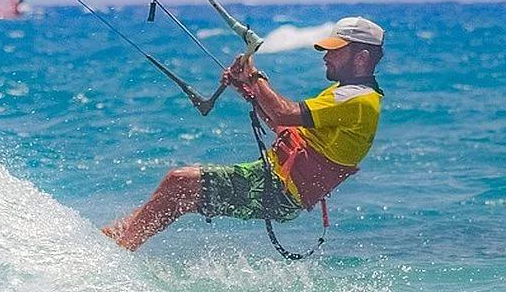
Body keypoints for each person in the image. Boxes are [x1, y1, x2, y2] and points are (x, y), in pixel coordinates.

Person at [102, 16, 386, 251]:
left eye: (336, 50)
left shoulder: (357, 100)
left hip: (280, 189)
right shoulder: (345, 94)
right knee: (176, 197)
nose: (327, 57)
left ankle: (120, 255)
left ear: (361, 58)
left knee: (178, 182)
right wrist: (248, 90)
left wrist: (255, 76)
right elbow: (284, 127)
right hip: (272, 179)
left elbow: (283, 113)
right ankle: (112, 239)